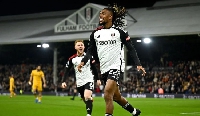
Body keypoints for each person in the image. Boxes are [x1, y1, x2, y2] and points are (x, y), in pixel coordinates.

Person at [77, 4, 146, 116]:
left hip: (116, 66)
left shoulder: (120, 31)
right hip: (104, 69)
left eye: (103, 13)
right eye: (100, 14)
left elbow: (131, 48)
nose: (100, 15)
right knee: (116, 97)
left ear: (110, 17)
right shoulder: (95, 33)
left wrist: (138, 64)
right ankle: (134, 112)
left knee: (107, 93)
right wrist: (83, 61)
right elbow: (89, 51)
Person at [62, 40, 101, 116]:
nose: (80, 46)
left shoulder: (89, 57)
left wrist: (98, 79)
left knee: (87, 96)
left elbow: (94, 68)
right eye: (78, 45)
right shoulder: (72, 59)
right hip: (79, 82)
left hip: (89, 79)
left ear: (84, 47)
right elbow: (66, 70)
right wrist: (63, 81)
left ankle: (89, 114)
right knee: (86, 99)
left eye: (82, 45)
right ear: (75, 47)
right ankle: (89, 100)